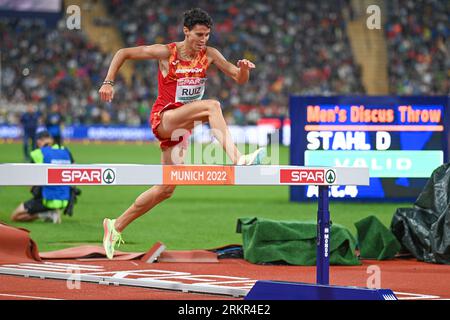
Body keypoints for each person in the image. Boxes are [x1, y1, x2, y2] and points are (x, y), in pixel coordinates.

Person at [98, 8, 266, 259]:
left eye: (207, 35)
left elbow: (237, 78)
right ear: (186, 31)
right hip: (165, 118)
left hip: (182, 130)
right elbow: (123, 53)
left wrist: (244, 69)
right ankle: (238, 158)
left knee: (167, 188)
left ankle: (115, 225)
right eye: (198, 34)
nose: (203, 40)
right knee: (213, 105)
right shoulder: (167, 52)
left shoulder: (210, 55)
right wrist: (108, 82)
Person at [11, 130, 75, 224]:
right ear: (51, 140)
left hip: (47, 198)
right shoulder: (65, 151)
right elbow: (76, 172)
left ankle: (47, 214)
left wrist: (34, 190)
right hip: (65, 198)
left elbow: (29, 178)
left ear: (39, 141)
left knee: (15, 216)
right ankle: (50, 213)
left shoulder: (38, 153)